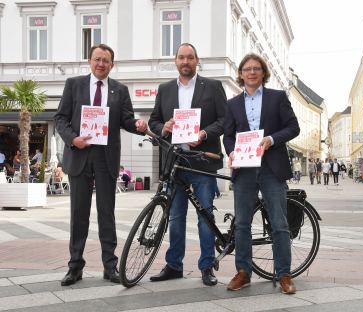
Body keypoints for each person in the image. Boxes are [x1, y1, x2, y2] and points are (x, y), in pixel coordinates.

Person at [55, 44, 148, 286]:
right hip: (80, 155)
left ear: (112, 65)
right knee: (79, 214)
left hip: (106, 158)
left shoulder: (120, 90)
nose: (101, 64)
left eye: (106, 61)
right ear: (90, 61)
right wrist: (73, 139)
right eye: (97, 59)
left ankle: (110, 266)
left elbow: (126, 119)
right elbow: (60, 119)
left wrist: (137, 124)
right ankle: (75, 267)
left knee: (107, 213)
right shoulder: (73, 84)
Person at [148, 43, 226, 286]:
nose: (185, 62)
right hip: (175, 163)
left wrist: (203, 134)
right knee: (175, 216)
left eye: (190, 58)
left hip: (202, 163)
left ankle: (207, 267)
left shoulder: (213, 87)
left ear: (196, 60)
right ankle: (174, 265)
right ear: (176, 61)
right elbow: (154, 120)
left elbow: (225, 120)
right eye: (181, 57)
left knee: (205, 216)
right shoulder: (165, 89)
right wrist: (164, 128)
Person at [223, 53, 300, 294]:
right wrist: (231, 153)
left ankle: (284, 274)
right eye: (247, 69)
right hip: (244, 169)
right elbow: (228, 135)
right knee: (242, 224)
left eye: (256, 68)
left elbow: (293, 127)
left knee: (279, 223)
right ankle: (244, 272)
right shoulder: (232, 103)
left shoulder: (277, 98)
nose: (252, 72)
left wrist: (271, 139)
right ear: (241, 73)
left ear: (263, 73)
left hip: (271, 167)